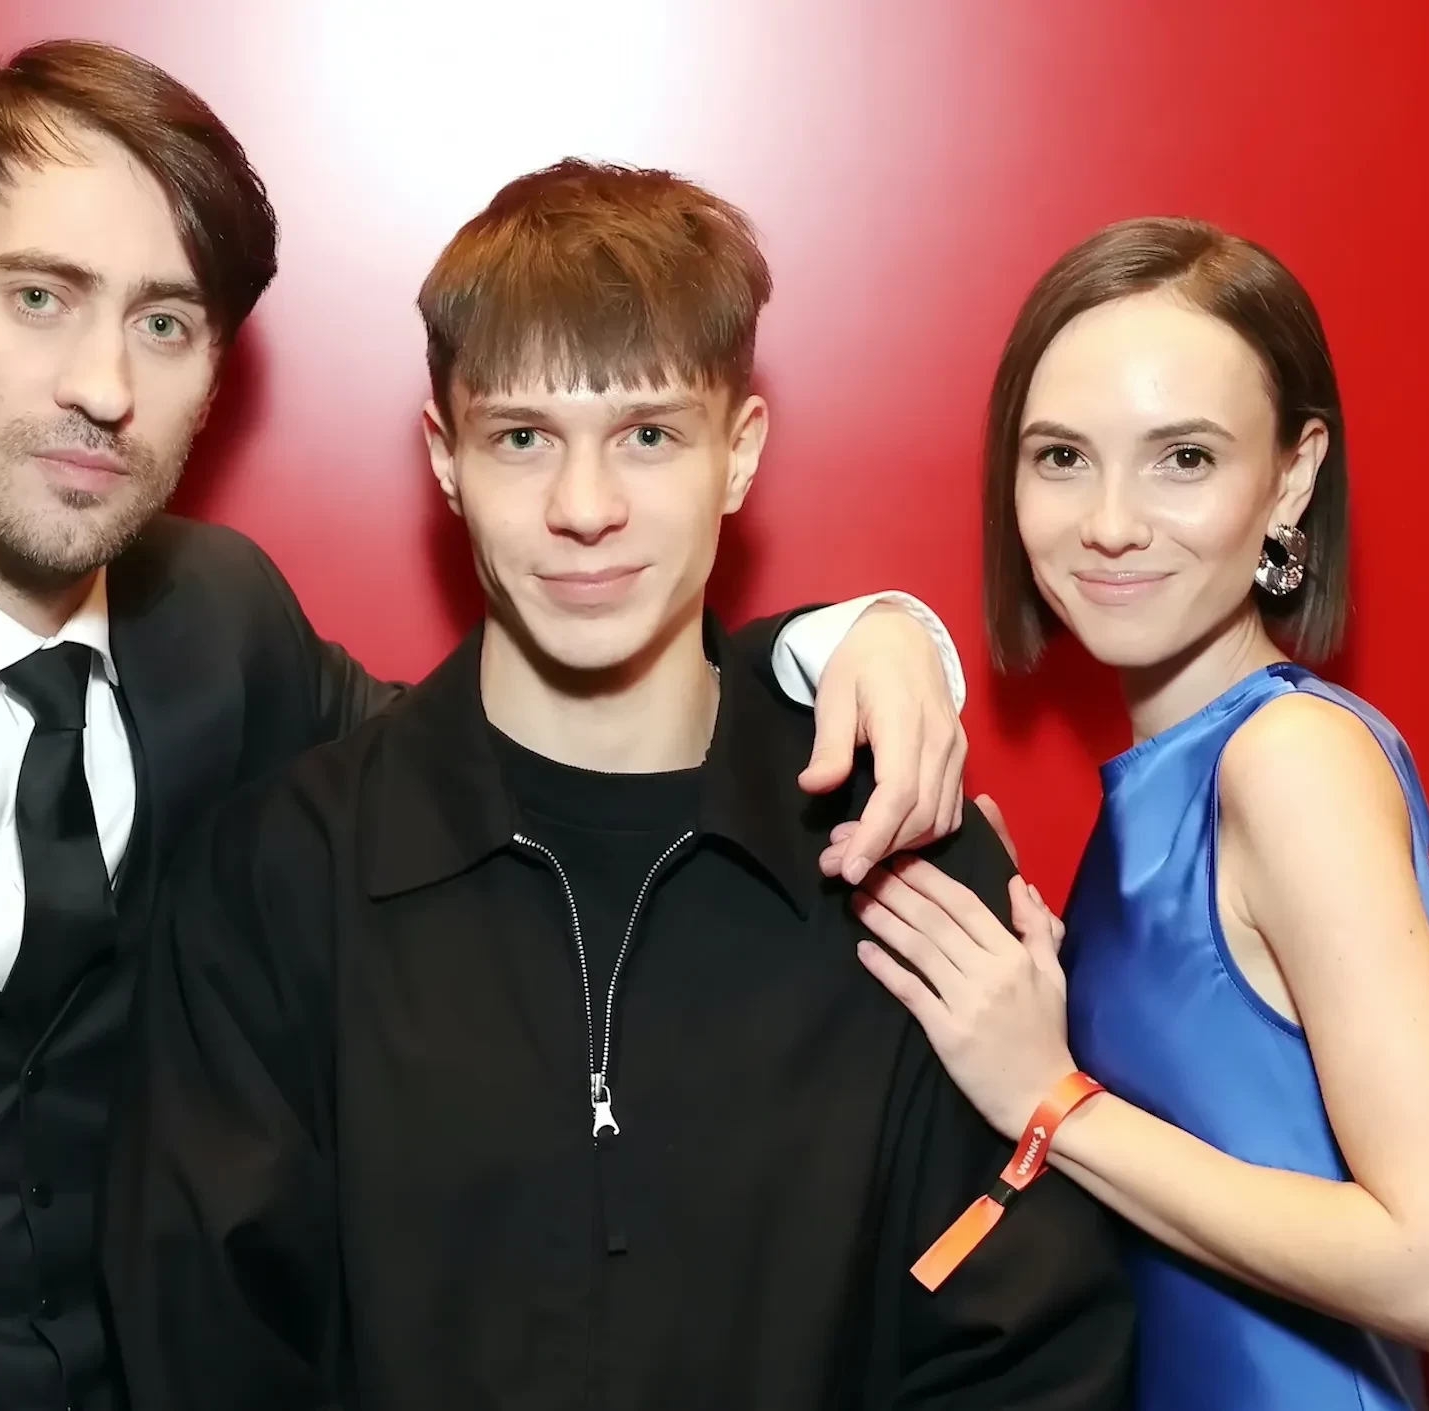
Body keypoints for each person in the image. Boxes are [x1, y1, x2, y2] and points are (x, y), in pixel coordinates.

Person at [0, 40, 972, 1411]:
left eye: (164, 323)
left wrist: (847, 642)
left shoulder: (219, 631)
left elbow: (539, 741)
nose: (104, 386)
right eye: (40, 297)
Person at [104, 158, 1135, 1411]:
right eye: (522, 438)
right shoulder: (274, 882)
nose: (584, 507)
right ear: (445, 459)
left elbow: (1025, 1350)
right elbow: (209, 1349)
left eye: (648, 436)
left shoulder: (910, 861)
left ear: (738, 455)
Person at [847, 217, 1429, 1410]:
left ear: (1293, 475)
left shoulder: (1290, 760)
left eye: (1185, 458)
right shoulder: (1169, 782)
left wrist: (1053, 1098)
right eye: (1063, 457)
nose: (1110, 521)